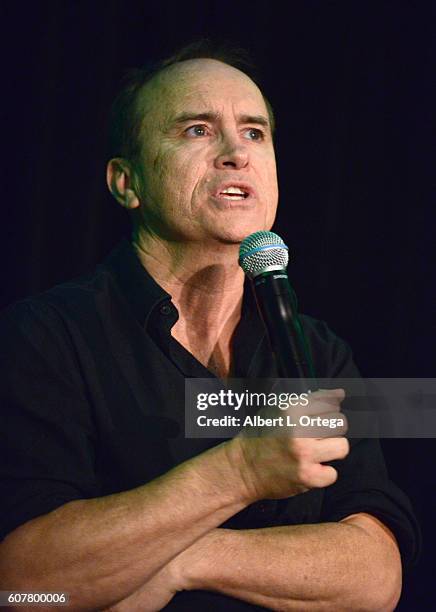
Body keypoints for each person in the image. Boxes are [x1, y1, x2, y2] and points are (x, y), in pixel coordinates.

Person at [0, 41, 419, 611]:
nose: (235, 154)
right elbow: (22, 583)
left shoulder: (318, 352)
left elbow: (375, 577)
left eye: (254, 133)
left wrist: (183, 559)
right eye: (197, 130)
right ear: (127, 182)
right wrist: (242, 470)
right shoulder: (42, 337)